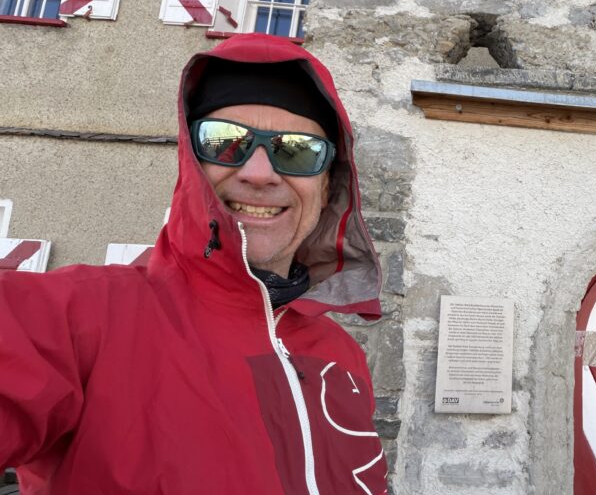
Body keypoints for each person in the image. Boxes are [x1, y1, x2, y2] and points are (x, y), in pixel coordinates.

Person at [0, 34, 388, 494]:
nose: (259, 173)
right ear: (190, 165)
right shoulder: (77, 317)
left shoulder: (344, 354)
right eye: (225, 142)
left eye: (298, 150)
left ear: (326, 189)